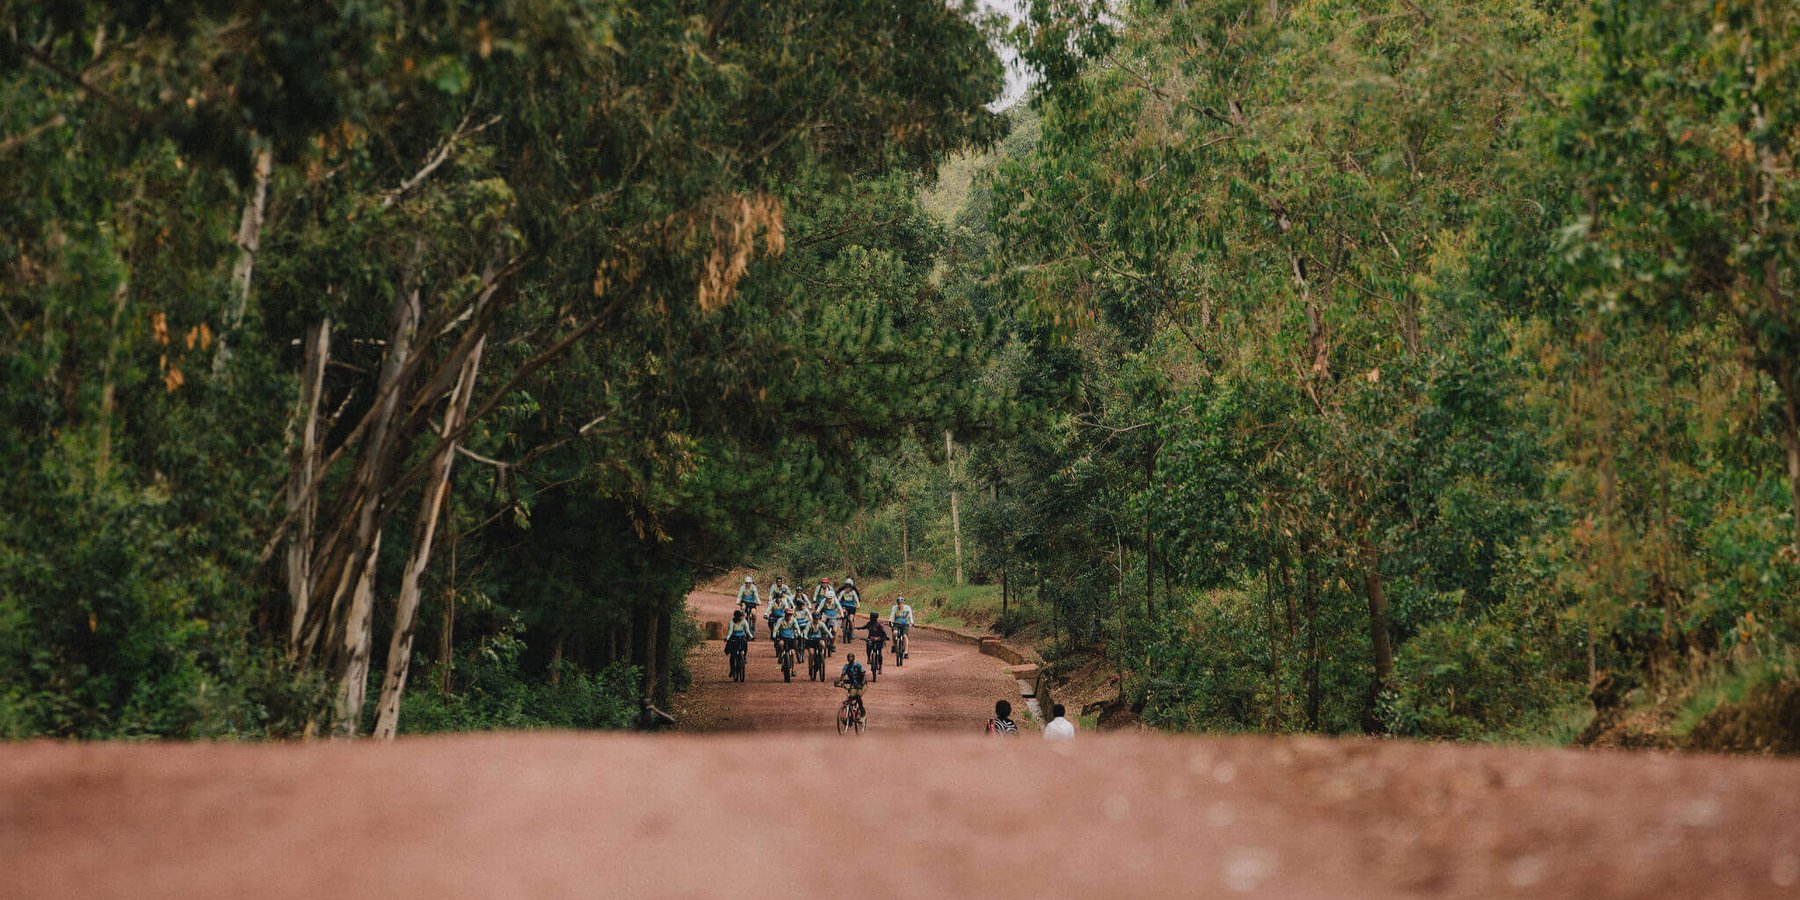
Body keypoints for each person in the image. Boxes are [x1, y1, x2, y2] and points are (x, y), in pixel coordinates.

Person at [837, 653, 868, 718]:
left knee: (857, 696)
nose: (850, 658)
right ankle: (850, 715)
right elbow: (842, 675)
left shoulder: (858, 665)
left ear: (854, 658)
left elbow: (864, 674)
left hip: (861, 685)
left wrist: (862, 683)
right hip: (853, 685)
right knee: (850, 698)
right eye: (848, 657)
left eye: (851, 657)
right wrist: (840, 682)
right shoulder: (846, 667)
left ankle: (862, 710)